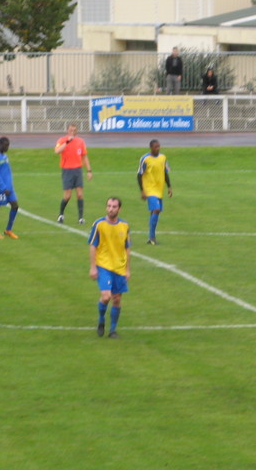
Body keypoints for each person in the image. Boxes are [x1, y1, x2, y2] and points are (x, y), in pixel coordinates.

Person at [88, 197, 131, 338]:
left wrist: (127, 270)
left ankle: (112, 330)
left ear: (119, 209)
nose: (110, 209)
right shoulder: (99, 224)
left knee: (117, 299)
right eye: (109, 206)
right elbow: (93, 246)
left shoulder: (124, 226)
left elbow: (127, 248)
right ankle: (101, 320)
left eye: (114, 206)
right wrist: (93, 267)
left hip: (119, 267)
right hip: (104, 266)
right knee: (106, 297)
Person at [54, 123, 92, 225]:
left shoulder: (80, 142)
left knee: (80, 194)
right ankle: (61, 215)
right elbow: (57, 151)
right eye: (71, 130)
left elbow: (84, 156)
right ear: (67, 130)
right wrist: (67, 142)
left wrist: (89, 170)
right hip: (67, 170)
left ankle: (80, 218)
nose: (72, 132)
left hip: (77, 170)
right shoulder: (62, 140)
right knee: (67, 196)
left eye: (74, 130)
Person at [136, 138, 172, 245]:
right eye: (156, 147)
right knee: (156, 209)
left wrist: (169, 186)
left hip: (159, 189)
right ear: (151, 147)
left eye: (159, 146)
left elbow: (165, 173)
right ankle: (152, 237)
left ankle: (150, 237)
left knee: (154, 212)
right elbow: (139, 175)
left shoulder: (163, 158)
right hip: (149, 189)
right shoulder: (145, 159)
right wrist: (142, 190)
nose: (158, 148)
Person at [0, 136, 19, 239]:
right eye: (6, 146)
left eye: (8, 146)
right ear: (0, 145)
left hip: (8, 187)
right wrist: (2, 187)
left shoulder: (5, 157)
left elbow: (7, 173)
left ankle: (8, 230)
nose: (7, 148)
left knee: (15, 206)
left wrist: (9, 186)